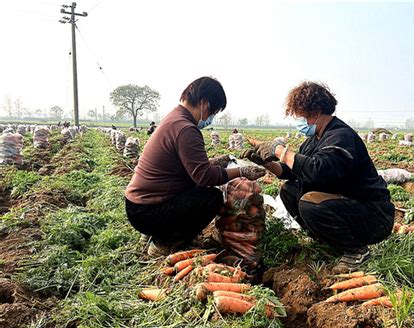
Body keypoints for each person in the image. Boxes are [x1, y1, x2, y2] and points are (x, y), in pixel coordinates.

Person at [242, 81, 394, 272]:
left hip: (373, 214)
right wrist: (266, 163)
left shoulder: (341, 136)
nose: (298, 122)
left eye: (299, 116)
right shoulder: (313, 140)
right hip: (347, 205)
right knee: (289, 190)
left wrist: (279, 149)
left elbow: (318, 170)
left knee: (309, 203)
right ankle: (327, 240)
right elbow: (293, 171)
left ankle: (356, 251)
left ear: (315, 112)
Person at [125, 76, 265, 256]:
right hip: (148, 211)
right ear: (204, 103)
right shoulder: (186, 129)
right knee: (210, 198)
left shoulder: (174, 119)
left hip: (138, 206)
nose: (210, 118)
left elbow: (185, 168)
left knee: (198, 192)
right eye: (213, 112)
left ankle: (153, 233)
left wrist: (216, 162)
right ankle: (164, 243)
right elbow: (204, 177)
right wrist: (241, 171)